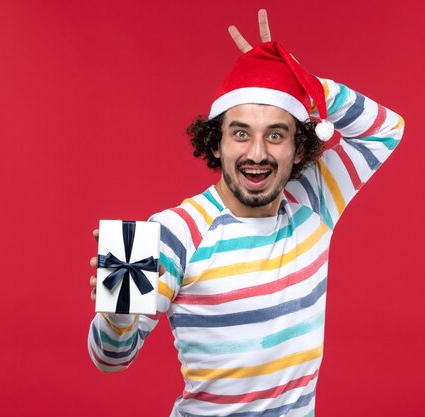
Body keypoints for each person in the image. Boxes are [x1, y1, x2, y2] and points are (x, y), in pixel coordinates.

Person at [88, 9, 404, 417]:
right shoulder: (173, 233)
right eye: (240, 133)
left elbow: (387, 130)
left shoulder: (313, 202)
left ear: (299, 148)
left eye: (275, 134)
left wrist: (306, 82)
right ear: (216, 143)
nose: (257, 154)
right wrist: (117, 316)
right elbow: (110, 360)